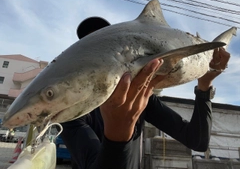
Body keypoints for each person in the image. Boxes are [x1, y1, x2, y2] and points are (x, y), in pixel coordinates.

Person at [60, 17, 230, 169]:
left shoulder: (141, 98)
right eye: (92, 47)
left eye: (106, 44)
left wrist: (204, 86)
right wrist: (119, 131)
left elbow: (197, 141)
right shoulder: (72, 114)